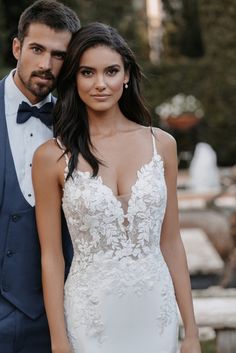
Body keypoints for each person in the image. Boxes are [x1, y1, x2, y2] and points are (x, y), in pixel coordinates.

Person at [32, 22, 201, 353]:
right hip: (90, 315)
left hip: (156, 313)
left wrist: (192, 332)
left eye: (111, 71)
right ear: (74, 79)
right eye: (87, 73)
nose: (100, 84)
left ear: (126, 75)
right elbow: (51, 257)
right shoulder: (51, 156)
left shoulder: (162, 144)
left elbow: (171, 243)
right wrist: (59, 341)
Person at [0, 1, 80, 352]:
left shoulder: (81, 122)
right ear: (17, 47)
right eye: (36, 49)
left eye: (59, 55)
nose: (46, 65)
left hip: (63, 317)